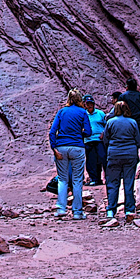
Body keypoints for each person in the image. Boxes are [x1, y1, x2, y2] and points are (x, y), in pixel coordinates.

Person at [49, 89, 91, 219]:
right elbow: (88, 132)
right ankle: (77, 212)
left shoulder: (62, 112)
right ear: (79, 99)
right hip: (77, 147)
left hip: (61, 147)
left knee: (62, 179)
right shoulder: (83, 112)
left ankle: (61, 209)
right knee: (77, 180)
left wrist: (54, 147)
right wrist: (79, 134)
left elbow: (52, 132)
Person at [102, 100, 140, 221]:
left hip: (114, 154)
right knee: (128, 183)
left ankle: (111, 210)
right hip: (130, 154)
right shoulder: (133, 122)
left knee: (113, 183)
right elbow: (138, 140)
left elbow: (106, 140)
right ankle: (129, 209)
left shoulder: (110, 122)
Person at [84, 95, 107, 186]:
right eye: (87, 104)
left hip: (99, 140)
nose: (90, 105)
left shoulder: (100, 114)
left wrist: (104, 133)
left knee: (103, 158)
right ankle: (94, 179)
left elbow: (107, 125)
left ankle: (107, 178)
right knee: (91, 160)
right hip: (88, 140)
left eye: (91, 103)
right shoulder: (83, 115)